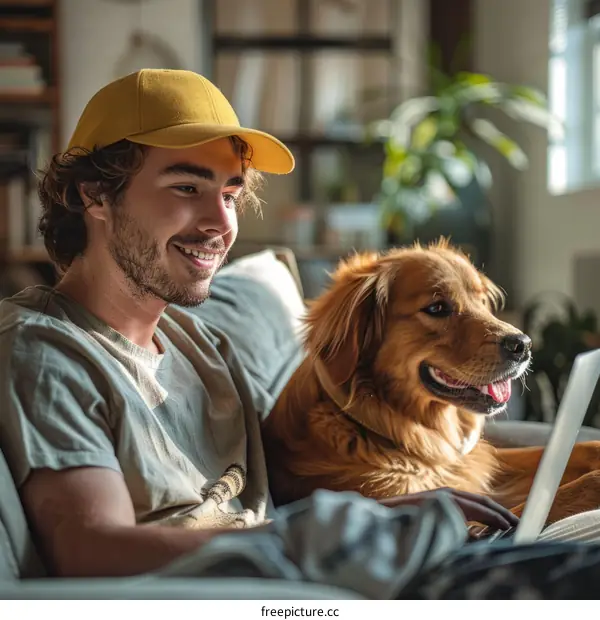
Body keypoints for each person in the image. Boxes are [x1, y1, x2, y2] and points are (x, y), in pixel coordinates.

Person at [3, 69, 600, 600]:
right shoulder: (47, 349)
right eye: (187, 188)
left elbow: (301, 467)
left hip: (325, 583)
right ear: (94, 194)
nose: (220, 224)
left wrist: (391, 515)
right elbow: (91, 551)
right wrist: (314, 539)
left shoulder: (198, 344)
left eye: (231, 193)